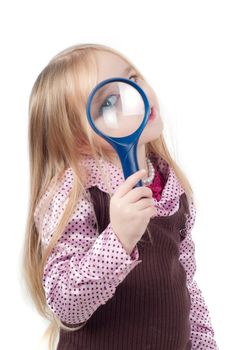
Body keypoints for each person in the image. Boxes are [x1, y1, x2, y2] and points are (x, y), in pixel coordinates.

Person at [22, 43, 219, 350]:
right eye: (109, 102)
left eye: (133, 78)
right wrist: (118, 239)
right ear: (78, 139)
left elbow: (187, 284)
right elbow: (65, 304)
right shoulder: (77, 191)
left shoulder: (171, 186)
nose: (135, 97)